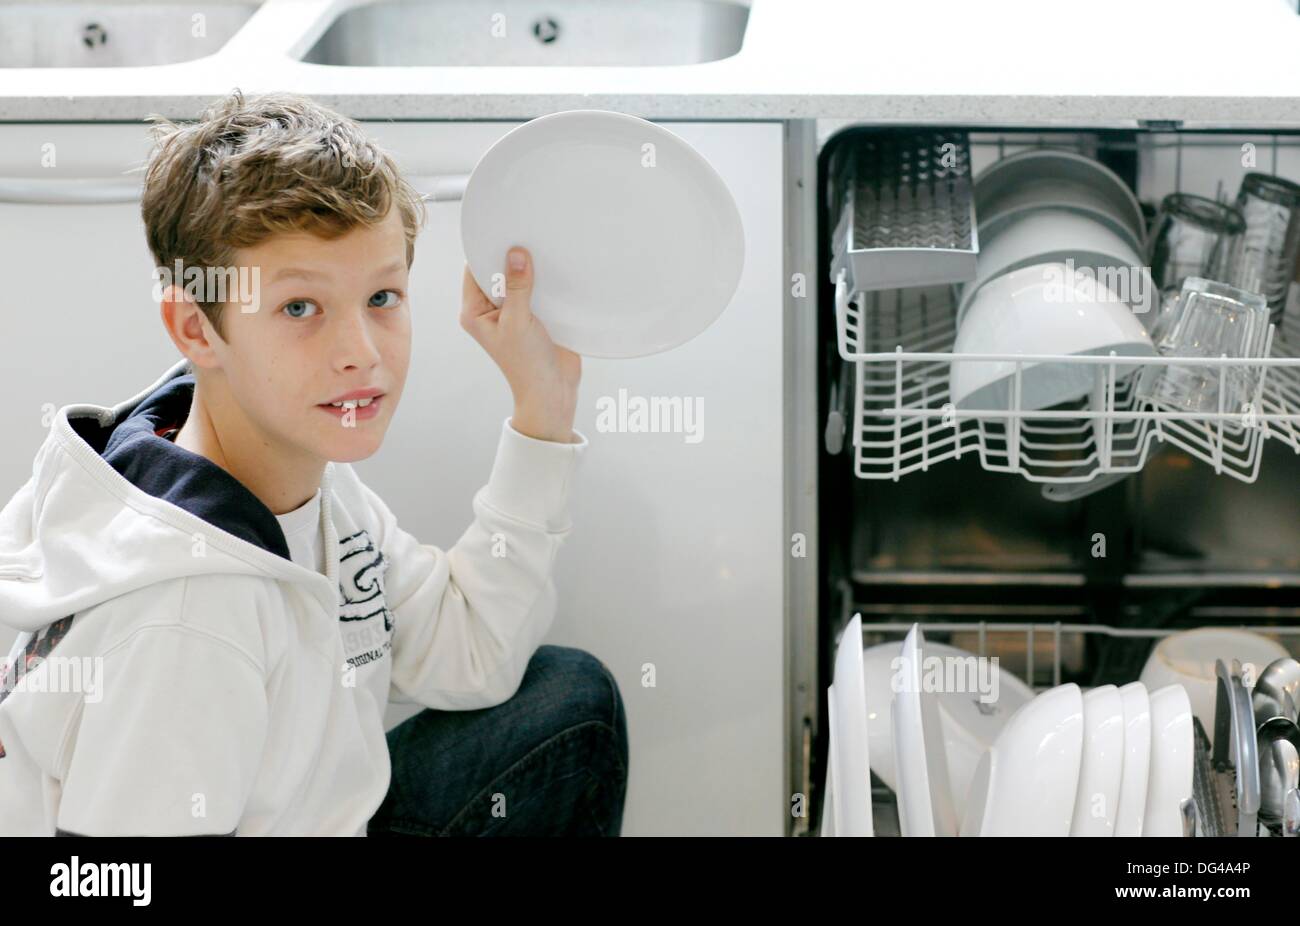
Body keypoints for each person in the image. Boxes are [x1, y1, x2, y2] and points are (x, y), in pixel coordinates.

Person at [0, 89, 628, 836]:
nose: (361, 353)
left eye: (382, 296)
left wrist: (542, 413)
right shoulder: (190, 620)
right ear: (196, 327)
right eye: (301, 308)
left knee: (568, 701)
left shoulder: (299, 476)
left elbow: (469, 654)